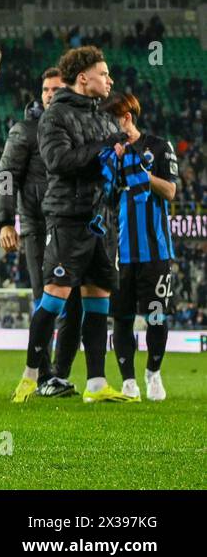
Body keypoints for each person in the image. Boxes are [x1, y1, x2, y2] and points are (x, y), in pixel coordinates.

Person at [12, 46, 134, 404]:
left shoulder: (107, 118)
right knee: (55, 297)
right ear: (84, 78)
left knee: (98, 298)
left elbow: (108, 164)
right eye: (104, 73)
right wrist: (104, 147)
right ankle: (32, 376)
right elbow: (58, 160)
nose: (110, 80)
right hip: (68, 218)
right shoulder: (55, 116)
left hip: (101, 221)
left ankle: (96, 383)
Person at [0, 66, 79, 396]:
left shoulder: (78, 130)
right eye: (45, 89)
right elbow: (5, 175)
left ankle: (59, 374)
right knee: (46, 300)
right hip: (36, 227)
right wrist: (4, 221)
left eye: (56, 89)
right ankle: (43, 375)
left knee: (74, 305)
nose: (49, 94)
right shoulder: (25, 131)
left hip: (73, 228)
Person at [103, 92, 176, 401]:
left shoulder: (159, 147)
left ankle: (153, 373)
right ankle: (129, 380)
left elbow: (170, 191)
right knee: (121, 318)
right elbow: (105, 197)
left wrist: (143, 176)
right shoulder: (109, 152)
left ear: (126, 118)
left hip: (156, 250)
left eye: (111, 121)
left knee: (156, 315)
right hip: (122, 252)